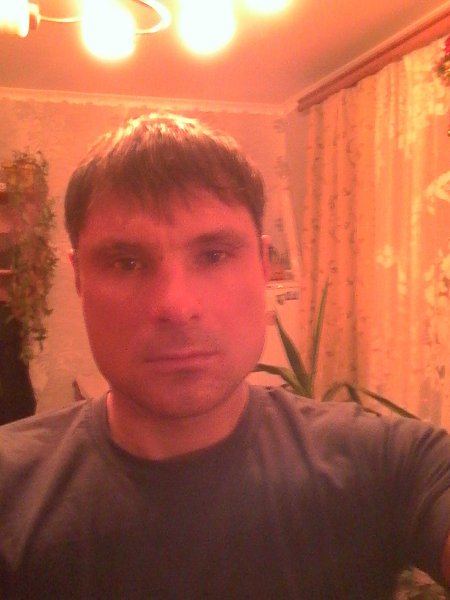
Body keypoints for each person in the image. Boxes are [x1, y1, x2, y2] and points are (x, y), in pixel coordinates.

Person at [0, 113, 449, 600]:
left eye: (213, 255)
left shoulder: (391, 463)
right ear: (78, 278)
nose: (176, 306)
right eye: (126, 263)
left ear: (263, 266)